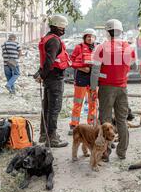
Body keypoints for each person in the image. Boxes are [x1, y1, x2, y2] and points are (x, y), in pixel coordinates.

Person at [90, 19, 135, 161]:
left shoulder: (101, 47)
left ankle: (105, 152)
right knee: (122, 120)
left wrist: (92, 89)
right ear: (121, 31)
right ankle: (122, 152)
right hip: (122, 87)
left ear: (107, 31)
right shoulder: (128, 47)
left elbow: (95, 71)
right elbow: (135, 67)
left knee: (106, 120)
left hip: (106, 88)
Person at [36, 15, 71, 148]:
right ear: (56, 26)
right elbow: (50, 61)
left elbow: (45, 61)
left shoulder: (47, 38)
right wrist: (42, 75)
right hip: (55, 79)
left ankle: (44, 135)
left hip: (49, 79)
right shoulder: (54, 41)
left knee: (47, 107)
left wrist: (41, 74)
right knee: (54, 108)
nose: (64, 29)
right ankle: (52, 138)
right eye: (62, 27)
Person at [68, 28, 98, 135]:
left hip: (93, 79)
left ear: (95, 38)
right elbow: (70, 61)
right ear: (85, 37)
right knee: (78, 102)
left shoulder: (98, 48)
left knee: (93, 102)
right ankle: (74, 125)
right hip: (81, 78)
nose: (90, 38)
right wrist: (81, 68)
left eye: (92, 36)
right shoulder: (78, 47)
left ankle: (91, 124)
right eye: (88, 36)